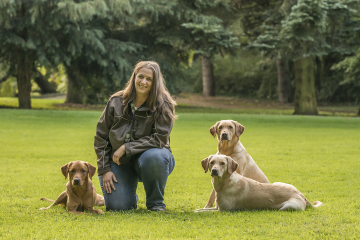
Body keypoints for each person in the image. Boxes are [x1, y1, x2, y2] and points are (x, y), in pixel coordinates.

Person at [94, 61, 177, 211]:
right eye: (140, 77)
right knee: (118, 206)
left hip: (151, 160)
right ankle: (128, 195)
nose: (143, 82)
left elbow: (160, 139)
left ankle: (155, 203)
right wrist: (104, 169)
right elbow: (101, 136)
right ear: (134, 77)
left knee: (154, 157)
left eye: (149, 79)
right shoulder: (116, 101)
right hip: (119, 162)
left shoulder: (164, 104)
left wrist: (127, 147)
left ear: (155, 82)